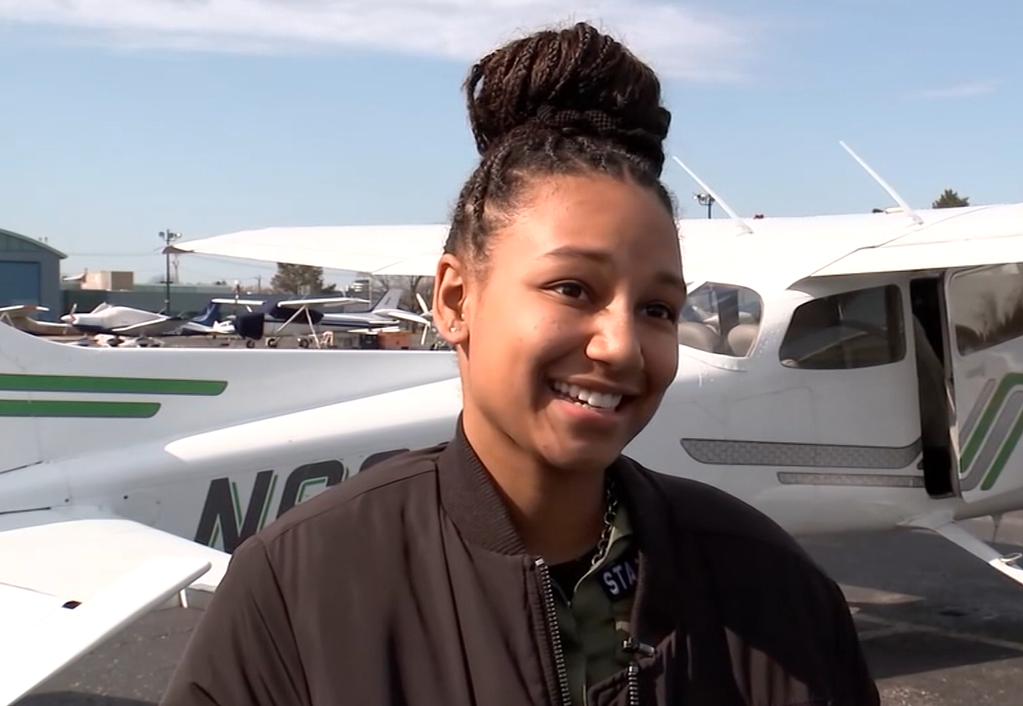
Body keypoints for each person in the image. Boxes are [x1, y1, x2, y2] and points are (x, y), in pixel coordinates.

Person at [160, 21, 879, 706]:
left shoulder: (772, 584)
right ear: (454, 298)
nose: (621, 346)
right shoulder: (296, 587)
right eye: (572, 289)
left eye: (658, 309)